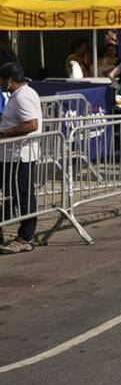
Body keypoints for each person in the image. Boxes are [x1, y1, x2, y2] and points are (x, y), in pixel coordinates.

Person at [0, 62, 43, 254]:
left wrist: (4, 133)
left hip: (20, 157)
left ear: (9, 80)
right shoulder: (20, 94)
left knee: (24, 196)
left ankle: (26, 237)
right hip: (12, 156)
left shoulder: (22, 97)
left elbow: (32, 124)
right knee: (15, 195)